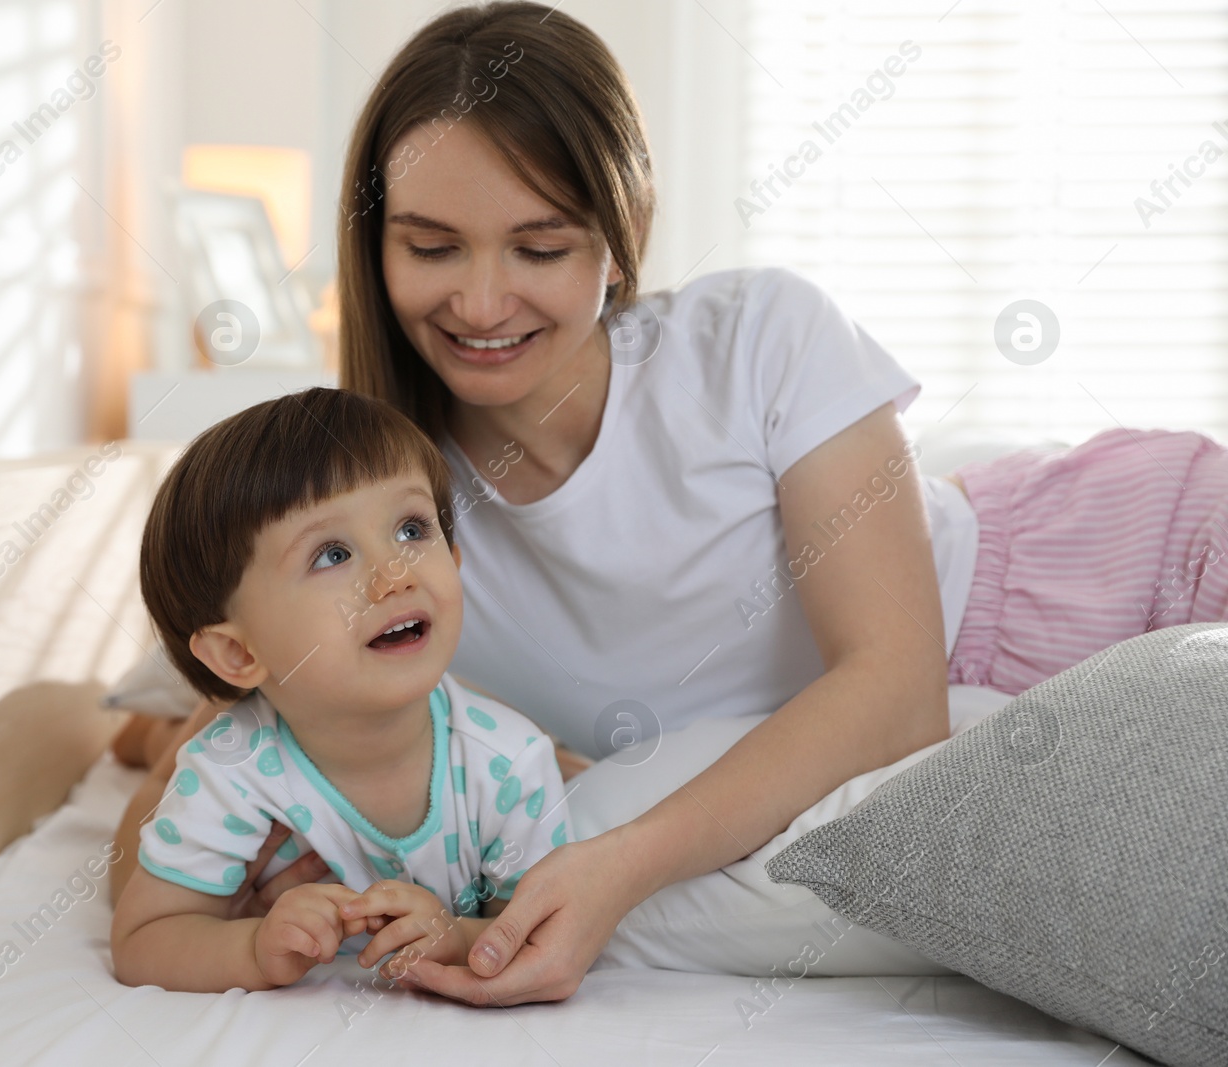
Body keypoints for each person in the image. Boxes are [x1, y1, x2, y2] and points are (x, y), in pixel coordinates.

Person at [113, 0, 1228, 1004]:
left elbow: (896, 695)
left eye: (540, 245)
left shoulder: (755, 338)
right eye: (431, 246)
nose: (483, 299)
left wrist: (620, 866)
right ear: (373, 246)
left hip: (1112, 567)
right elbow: (194, 788)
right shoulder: (386, 525)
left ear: (617, 237)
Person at [109, 388, 569, 992]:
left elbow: (541, 930)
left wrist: (456, 938)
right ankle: (144, 732)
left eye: (411, 529)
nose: (394, 575)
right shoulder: (230, 770)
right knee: (163, 753)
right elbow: (145, 937)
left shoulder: (510, 764)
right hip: (220, 731)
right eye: (332, 553)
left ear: (454, 558)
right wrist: (249, 947)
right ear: (239, 653)